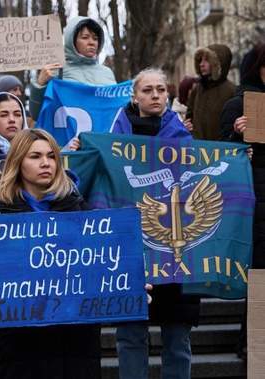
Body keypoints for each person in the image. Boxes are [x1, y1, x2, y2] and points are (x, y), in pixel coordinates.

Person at [0, 128, 100, 379]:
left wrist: (126, 285)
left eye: (51, 156)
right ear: (17, 162)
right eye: (35, 156)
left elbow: (101, 267)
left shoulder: (81, 213)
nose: (46, 163)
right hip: (17, 347)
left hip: (72, 346)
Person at [111, 68, 196, 379]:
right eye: (147, 90)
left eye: (161, 89)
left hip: (176, 252)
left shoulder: (186, 140)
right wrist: (81, 152)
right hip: (130, 250)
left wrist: (243, 155)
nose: (156, 95)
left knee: (177, 339)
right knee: (131, 337)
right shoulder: (112, 140)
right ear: (135, 96)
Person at [220, 43, 265, 359]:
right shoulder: (239, 105)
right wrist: (237, 139)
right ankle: (255, 348)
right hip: (257, 206)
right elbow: (220, 158)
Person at [29, 17, 116, 120]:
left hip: (101, 135)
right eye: (85, 37)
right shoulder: (56, 71)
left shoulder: (107, 73)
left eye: (95, 38)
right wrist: (40, 84)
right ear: (72, 40)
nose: (92, 42)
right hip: (67, 135)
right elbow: (36, 114)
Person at [187, 44, 235, 140]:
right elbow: (189, 117)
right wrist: (188, 127)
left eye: (207, 60)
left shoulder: (232, 91)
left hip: (221, 150)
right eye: (200, 60)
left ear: (218, 63)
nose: (201, 64)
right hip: (197, 149)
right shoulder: (197, 89)